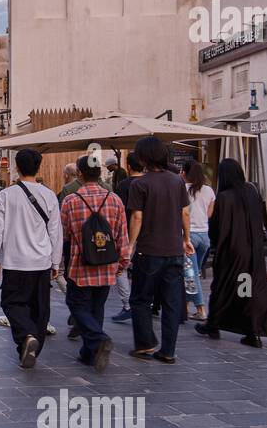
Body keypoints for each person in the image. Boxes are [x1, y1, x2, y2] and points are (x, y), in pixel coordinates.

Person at [0, 149, 61, 368]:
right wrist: (56, 262)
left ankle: (26, 337)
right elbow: (56, 232)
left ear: (17, 167)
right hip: (41, 261)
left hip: (15, 261)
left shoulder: (5, 195)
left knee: (11, 303)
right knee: (40, 308)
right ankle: (30, 346)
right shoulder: (49, 195)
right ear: (38, 167)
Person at [59, 155, 130, 373]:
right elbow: (121, 235)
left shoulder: (71, 201)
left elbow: (63, 236)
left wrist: (59, 263)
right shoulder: (114, 199)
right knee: (97, 307)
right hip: (107, 263)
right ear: (100, 173)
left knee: (76, 304)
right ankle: (89, 354)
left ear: (80, 174)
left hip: (81, 264)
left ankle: (99, 339)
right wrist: (123, 262)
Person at [126, 136, 193, 364]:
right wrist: (187, 239)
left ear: (143, 157)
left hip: (149, 250)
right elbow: (185, 212)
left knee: (140, 299)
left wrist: (130, 244)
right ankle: (168, 350)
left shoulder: (140, 184)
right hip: (174, 249)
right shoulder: (176, 181)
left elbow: (137, 217)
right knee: (172, 302)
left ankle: (145, 343)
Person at [197, 159, 267, 348]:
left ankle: (216, 324)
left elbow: (216, 228)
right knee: (247, 290)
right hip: (253, 254)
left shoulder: (224, 197)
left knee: (224, 288)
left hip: (232, 254)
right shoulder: (251, 193)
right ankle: (252, 330)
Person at [108, 152, 142, 322]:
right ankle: (144, 303)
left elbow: (119, 211)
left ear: (128, 166)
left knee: (121, 268)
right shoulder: (149, 182)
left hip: (128, 231)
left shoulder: (123, 185)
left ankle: (128, 304)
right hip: (149, 233)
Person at [182, 159, 216, 321]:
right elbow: (210, 214)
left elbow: (182, 213)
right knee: (193, 271)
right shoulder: (209, 190)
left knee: (191, 274)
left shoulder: (182, 189)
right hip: (204, 236)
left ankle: (201, 308)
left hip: (189, 236)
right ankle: (186, 305)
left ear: (184, 173)